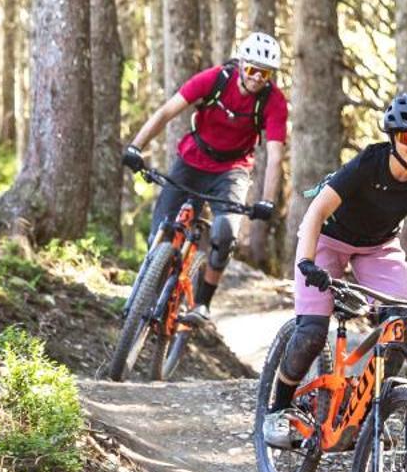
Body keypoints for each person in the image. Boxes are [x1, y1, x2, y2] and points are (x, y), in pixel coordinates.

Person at [262, 91, 407, 448]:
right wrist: (308, 261)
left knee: (400, 325)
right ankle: (277, 408)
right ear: (392, 137)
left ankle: (368, 413)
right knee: (311, 331)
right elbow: (315, 213)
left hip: (378, 247)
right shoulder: (369, 163)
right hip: (327, 239)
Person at [121, 31, 288, 324]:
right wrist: (136, 146)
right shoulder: (214, 80)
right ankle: (147, 295)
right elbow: (166, 112)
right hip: (192, 160)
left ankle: (202, 304)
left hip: (232, 170)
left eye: (265, 74)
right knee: (161, 229)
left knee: (225, 233)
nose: (256, 79)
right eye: (251, 70)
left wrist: (267, 201)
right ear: (240, 65)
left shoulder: (273, 102)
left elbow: (275, 155)